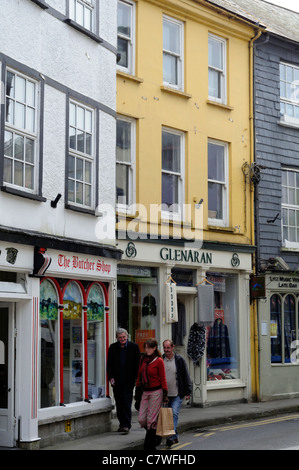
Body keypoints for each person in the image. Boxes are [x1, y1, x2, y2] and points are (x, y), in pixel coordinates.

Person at [135, 338, 168, 451]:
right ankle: (156, 435)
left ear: (154, 348)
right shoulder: (143, 359)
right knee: (141, 419)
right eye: (146, 347)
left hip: (156, 392)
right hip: (145, 392)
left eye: (149, 347)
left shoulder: (159, 361)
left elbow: (163, 378)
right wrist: (137, 395)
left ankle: (149, 446)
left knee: (151, 420)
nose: (147, 349)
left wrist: (165, 394)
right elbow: (139, 376)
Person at [107, 328, 140, 434]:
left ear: (127, 336)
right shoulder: (112, 348)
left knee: (126, 402)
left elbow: (137, 364)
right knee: (119, 403)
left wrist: (135, 378)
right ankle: (122, 424)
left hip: (129, 381)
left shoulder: (134, 347)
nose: (122, 339)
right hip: (116, 381)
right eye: (120, 337)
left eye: (124, 337)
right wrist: (111, 378)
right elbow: (109, 365)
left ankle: (126, 425)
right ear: (117, 338)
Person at [162, 339, 192, 447]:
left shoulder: (179, 360)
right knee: (168, 416)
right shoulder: (161, 359)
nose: (166, 350)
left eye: (168, 348)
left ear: (173, 347)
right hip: (164, 395)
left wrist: (188, 391)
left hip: (177, 393)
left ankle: (170, 436)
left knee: (174, 413)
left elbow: (186, 376)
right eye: (164, 348)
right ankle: (174, 436)